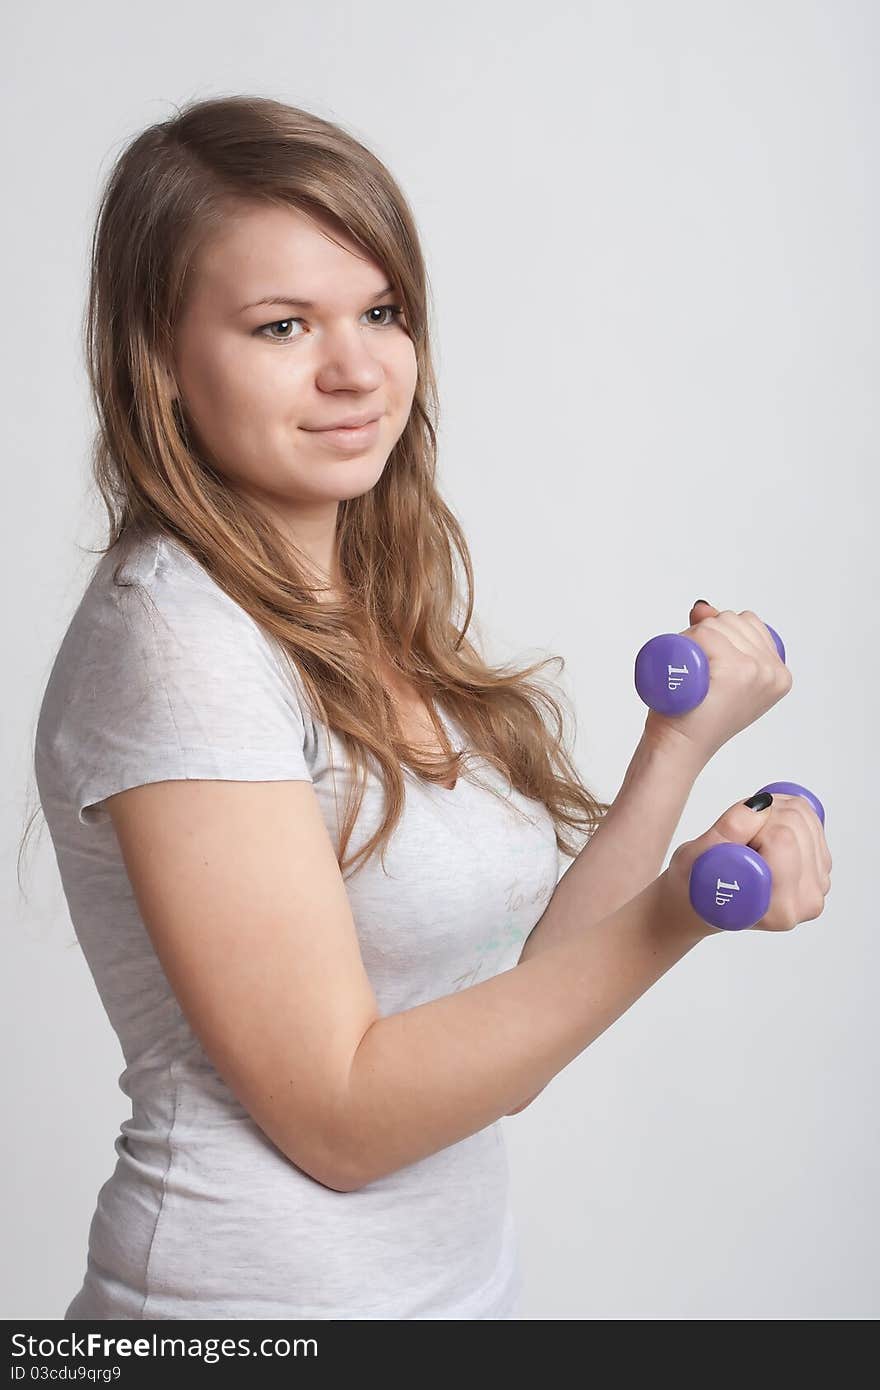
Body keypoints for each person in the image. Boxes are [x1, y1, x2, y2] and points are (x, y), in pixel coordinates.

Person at [32, 96, 831, 1322]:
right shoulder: (176, 639)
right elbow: (343, 1119)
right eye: (283, 324)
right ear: (161, 357)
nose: (355, 367)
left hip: (448, 1295)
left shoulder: (361, 598)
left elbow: (499, 1033)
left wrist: (680, 753)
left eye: (381, 311)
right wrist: (679, 911)